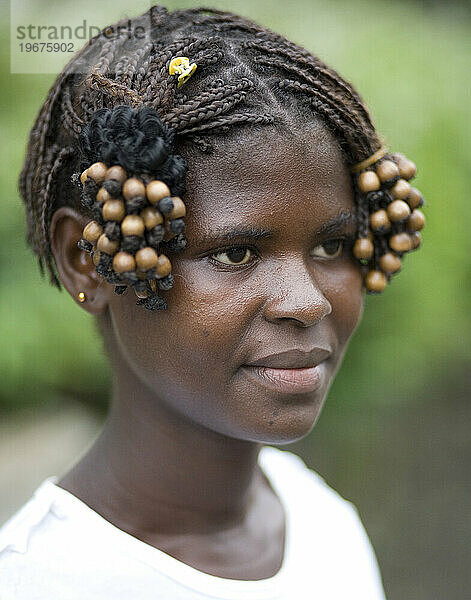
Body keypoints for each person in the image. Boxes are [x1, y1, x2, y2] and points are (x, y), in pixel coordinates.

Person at [0, 5, 426, 598]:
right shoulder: (36, 581)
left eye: (331, 245)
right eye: (234, 255)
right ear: (87, 259)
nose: (306, 303)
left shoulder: (324, 526)